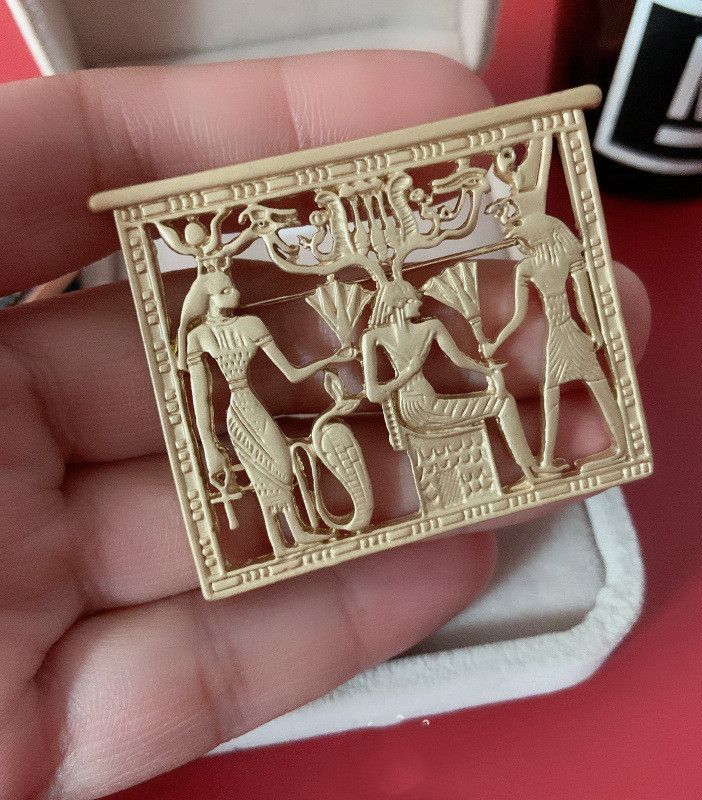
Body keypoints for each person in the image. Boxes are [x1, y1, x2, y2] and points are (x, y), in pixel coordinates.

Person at [0, 52, 649, 799]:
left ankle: (531, 463)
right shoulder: (232, 337)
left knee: (500, 399)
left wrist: (448, 362)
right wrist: (346, 381)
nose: (406, 299)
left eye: (405, 293)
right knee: (278, 470)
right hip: (333, 410)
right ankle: (295, 527)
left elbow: (326, 365)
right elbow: (353, 382)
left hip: (386, 396)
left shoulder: (397, 324)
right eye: (216, 285)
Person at [178, 269, 352, 554]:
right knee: (261, 476)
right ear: (207, 298)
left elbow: (291, 373)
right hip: (237, 413)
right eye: (224, 291)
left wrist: (330, 359)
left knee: (283, 466)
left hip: (254, 407)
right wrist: (208, 445)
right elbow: (199, 397)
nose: (235, 293)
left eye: (232, 287)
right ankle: (280, 544)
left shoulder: (251, 324)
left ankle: (297, 531)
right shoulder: (199, 336)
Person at [483, 213, 628, 474]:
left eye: (522, 237)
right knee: (588, 388)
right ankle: (613, 446)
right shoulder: (553, 261)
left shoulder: (530, 267)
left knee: (560, 392)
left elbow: (520, 316)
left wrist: (496, 343)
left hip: (562, 334)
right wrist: (594, 331)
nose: (520, 243)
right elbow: (582, 301)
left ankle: (557, 457)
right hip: (565, 333)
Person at [361, 279, 538, 483]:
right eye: (413, 299)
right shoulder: (373, 337)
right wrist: (409, 372)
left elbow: (459, 359)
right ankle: (530, 470)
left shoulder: (430, 326)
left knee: (504, 400)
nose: (419, 302)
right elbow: (374, 394)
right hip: (420, 409)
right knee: (504, 402)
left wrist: (488, 370)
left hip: (424, 404)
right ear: (399, 303)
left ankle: (530, 470)